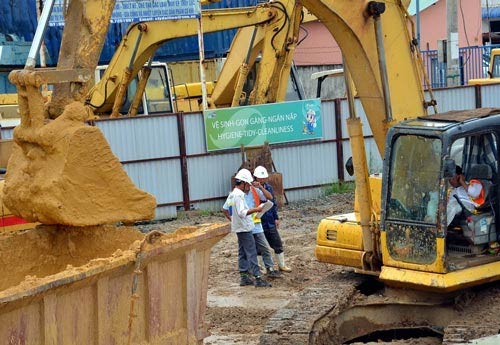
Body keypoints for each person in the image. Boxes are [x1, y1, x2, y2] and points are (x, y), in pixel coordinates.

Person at [223, 168, 272, 287]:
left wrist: (233, 221)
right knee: (251, 252)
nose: (249, 187)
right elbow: (242, 212)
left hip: (239, 228)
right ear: (243, 183)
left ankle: (244, 276)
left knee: (242, 252)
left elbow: (225, 209)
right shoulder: (239, 195)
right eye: (248, 184)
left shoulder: (233, 194)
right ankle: (258, 278)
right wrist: (257, 209)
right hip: (245, 228)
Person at [253, 166, 292, 272]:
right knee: (259, 246)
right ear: (255, 177)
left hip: (269, 220)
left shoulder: (268, 187)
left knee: (277, 243)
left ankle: (282, 265)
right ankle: (261, 267)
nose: (262, 180)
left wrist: (276, 218)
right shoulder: (251, 189)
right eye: (260, 178)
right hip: (258, 221)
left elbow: (272, 201)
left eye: (263, 178)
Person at [244, 175, 281, 278]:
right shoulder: (237, 194)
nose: (248, 185)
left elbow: (269, 197)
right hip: (245, 225)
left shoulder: (255, 190)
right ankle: (251, 272)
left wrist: (260, 187)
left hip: (256, 224)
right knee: (249, 249)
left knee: (265, 247)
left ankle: (269, 268)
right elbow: (228, 209)